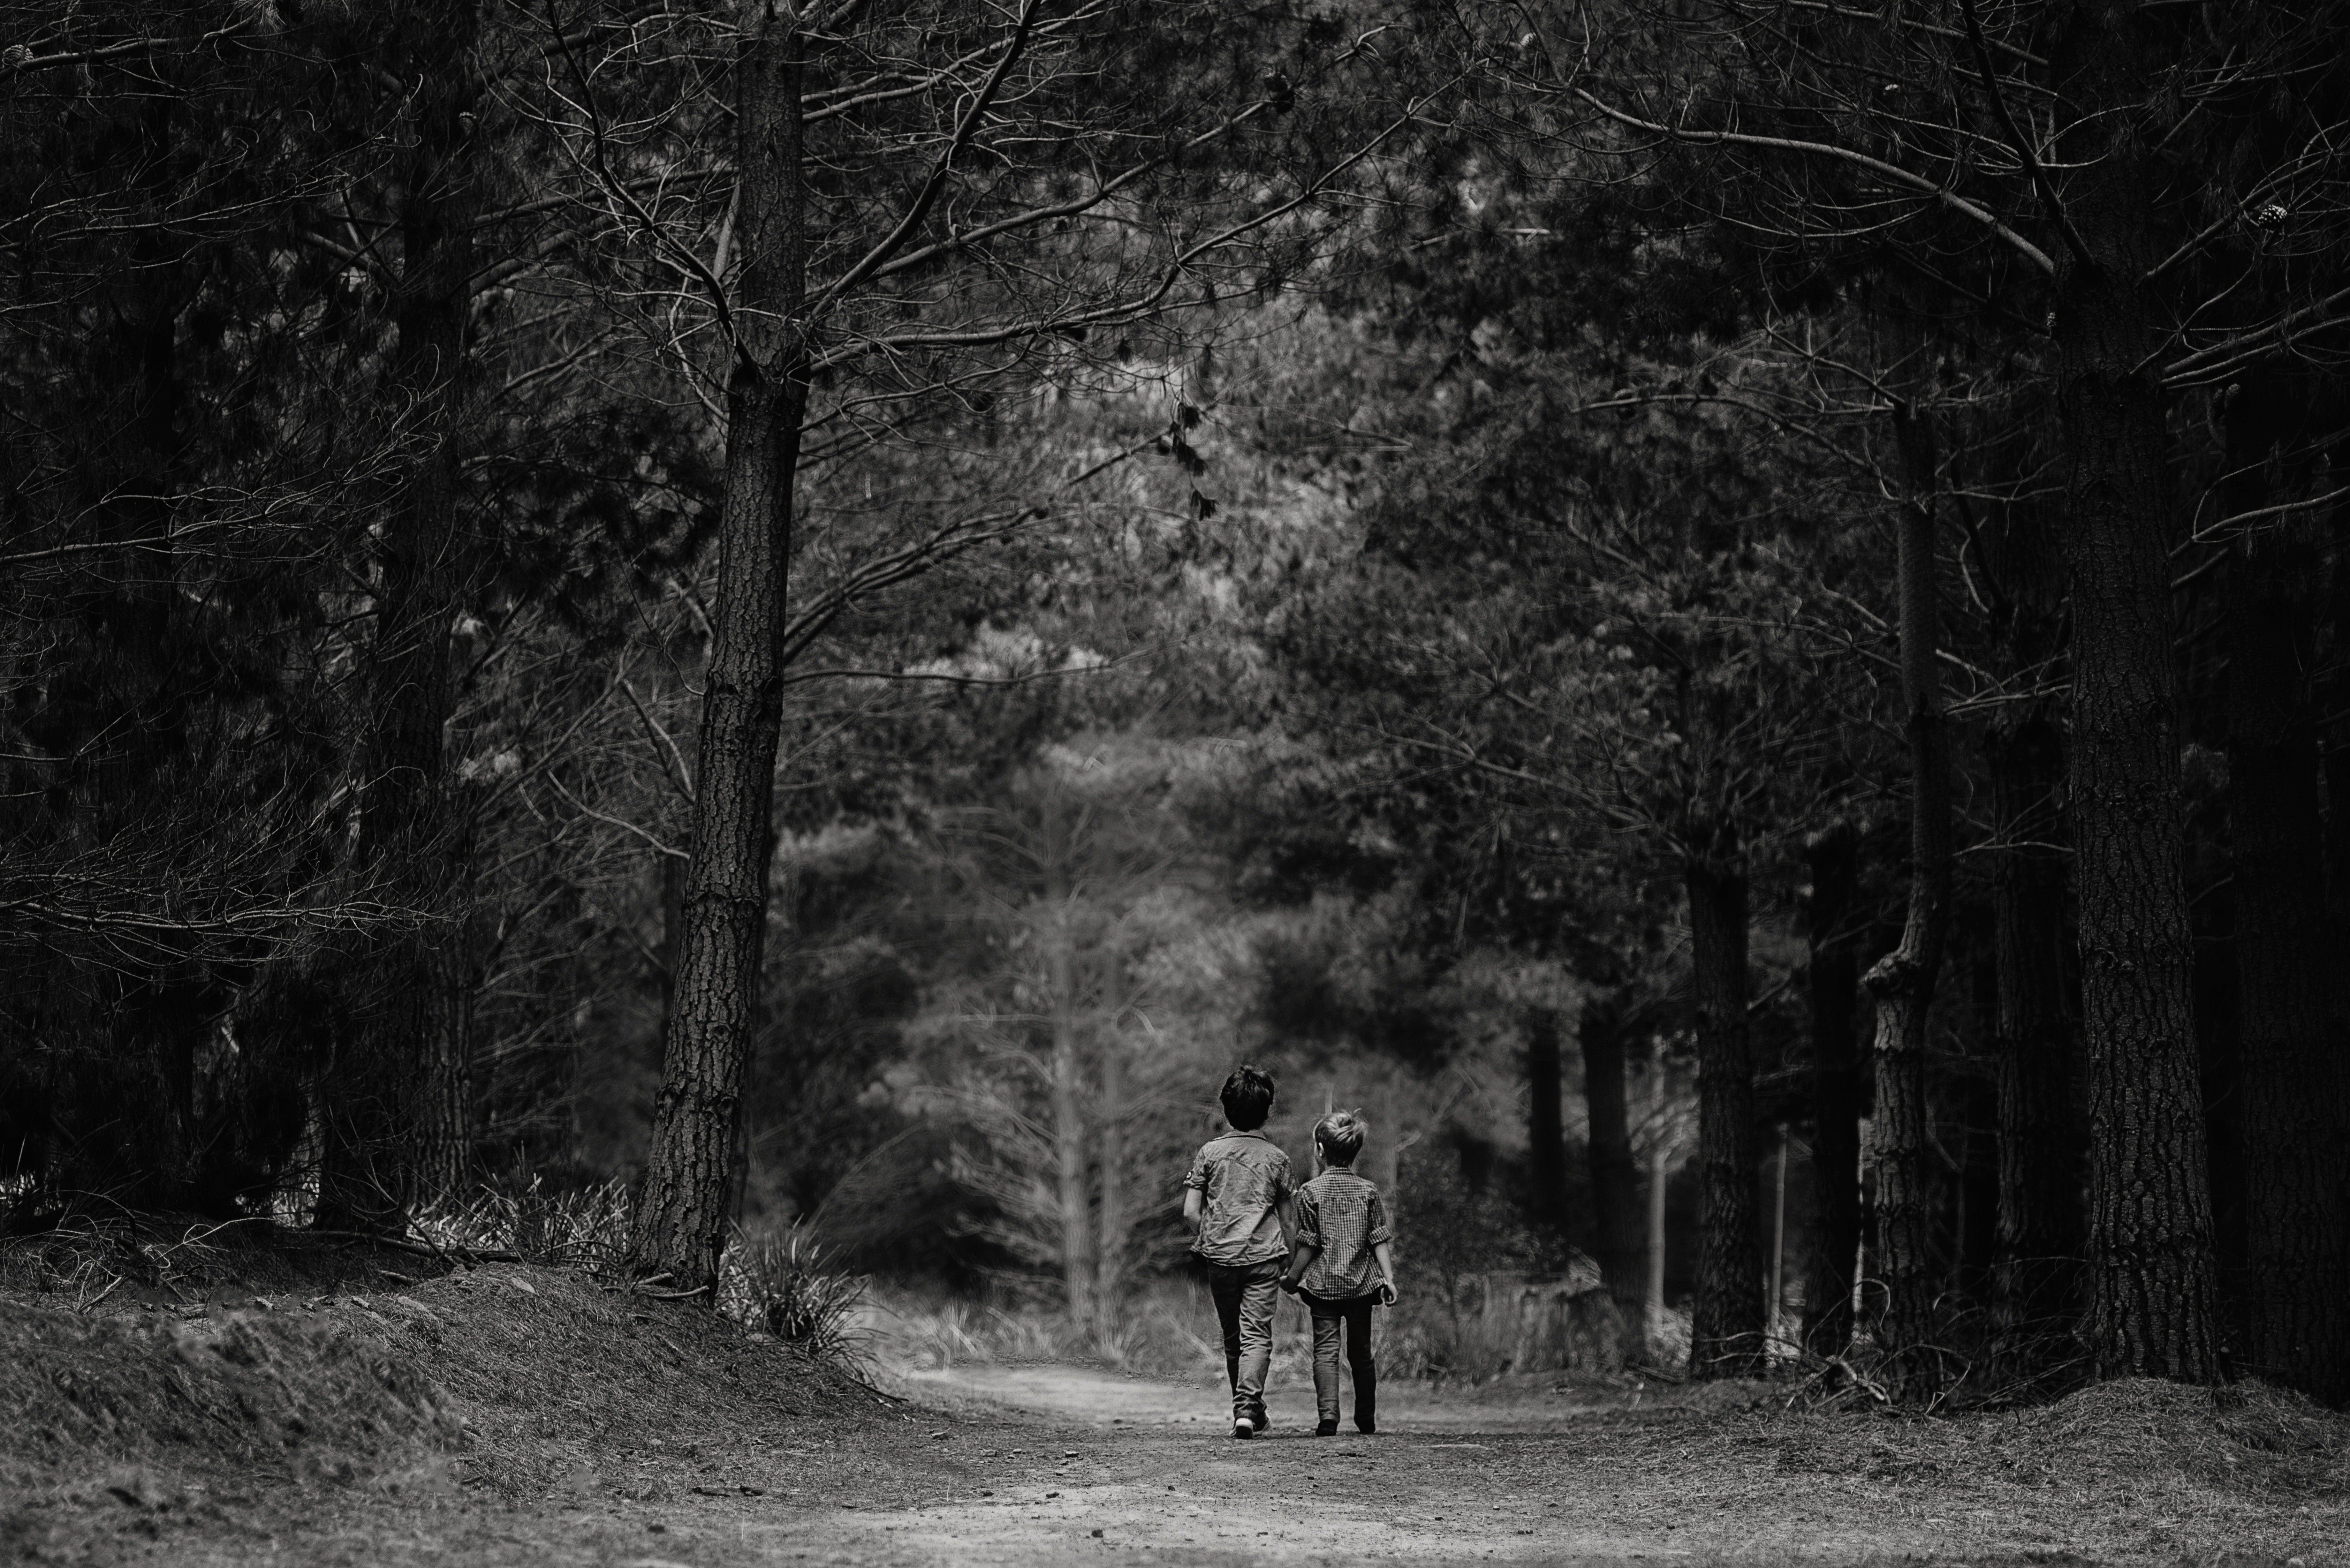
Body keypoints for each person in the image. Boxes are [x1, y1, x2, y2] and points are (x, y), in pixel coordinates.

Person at [1182, 1064, 1295, 1439]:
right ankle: (1249, 1409)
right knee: (1257, 1336)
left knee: (1234, 1339)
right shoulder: (1277, 1159)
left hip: (1221, 1260)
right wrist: (1291, 1261)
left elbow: (1190, 1212)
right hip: (1264, 1258)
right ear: (1267, 1111)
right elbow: (1288, 1220)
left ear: (1226, 1110)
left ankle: (1245, 1411)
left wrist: (1212, 1238)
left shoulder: (1209, 1153)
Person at [1277, 1109, 1397, 1436]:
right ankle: (1366, 1418)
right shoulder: (1369, 1191)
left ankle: (1328, 1418)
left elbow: (1308, 1244)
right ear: (1355, 1150)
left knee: (1325, 1353)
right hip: (1361, 1286)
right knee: (1361, 1353)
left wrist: (1292, 1277)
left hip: (1323, 1287)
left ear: (1320, 1149)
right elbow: (1378, 1239)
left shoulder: (1311, 1192)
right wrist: (1388, 1278)